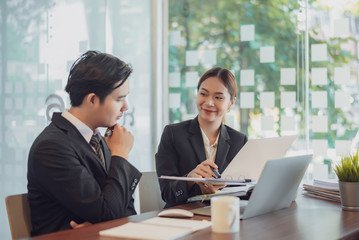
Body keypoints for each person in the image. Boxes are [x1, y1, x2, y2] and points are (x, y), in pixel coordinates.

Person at [27, 51, 142, 236]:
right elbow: (109, 214)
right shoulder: (51, 147)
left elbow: (124, 210)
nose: (126, 107)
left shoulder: (99, 139)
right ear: (92, 99)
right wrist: (120, 155)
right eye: (119, 98)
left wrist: (103, 224)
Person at [156, 67, 248, 208]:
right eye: (203, 94)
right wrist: (189, 179)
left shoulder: (240, 141)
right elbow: (167, 193)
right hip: (183, 217)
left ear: (231, 103)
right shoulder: (173, 134)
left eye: (218, 97)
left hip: (225, 215)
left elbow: (246, 192)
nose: (209, 102)